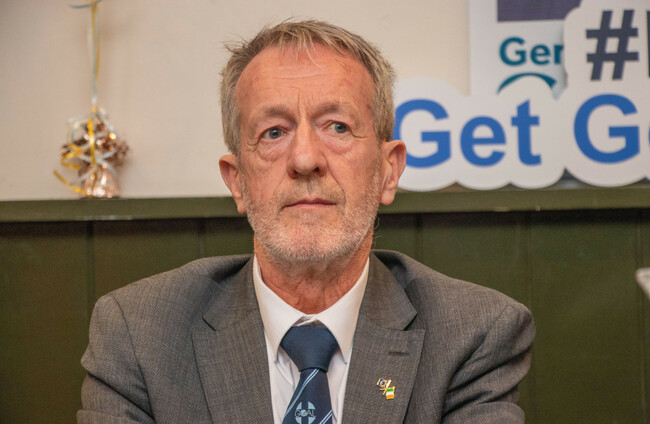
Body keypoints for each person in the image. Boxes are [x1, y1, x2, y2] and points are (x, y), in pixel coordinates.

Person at [78, 20, 535, 424]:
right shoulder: (139, 335)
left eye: (337, 126)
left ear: (388, 170)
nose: (304, 159)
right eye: (273, 132)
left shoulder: (472, 333)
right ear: (237, 182)